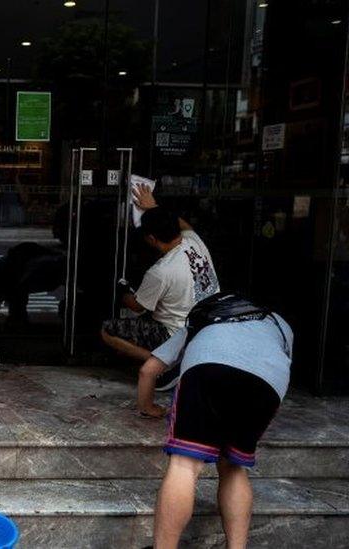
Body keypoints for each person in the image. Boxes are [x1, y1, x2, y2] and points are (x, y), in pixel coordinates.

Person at [148, 296, 293, 548]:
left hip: (208, 369)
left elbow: (148, 370)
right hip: (267, 382)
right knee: (234, 467)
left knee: (185, 465)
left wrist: (145, 407)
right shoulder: (278, 323)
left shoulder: (207, 317)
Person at [101, 184, 219, 395]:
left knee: (108, 331)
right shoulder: (194, 242)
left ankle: (165, 364)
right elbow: (183, 224)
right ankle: (177, 359)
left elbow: (136, 306)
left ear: (151, 239)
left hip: (174, 333)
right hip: (204, 328)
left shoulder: (161, 271)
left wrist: (122, 291)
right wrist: (153, 206)